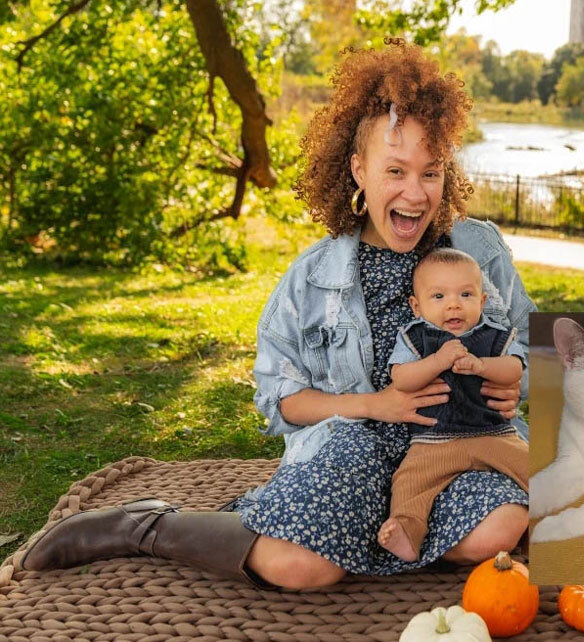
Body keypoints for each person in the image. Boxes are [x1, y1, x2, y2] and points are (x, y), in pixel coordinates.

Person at [20, 40, 537, 590]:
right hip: (353, 447)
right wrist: (373, 404)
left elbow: (533, 343)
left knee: (496, 532)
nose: (415, 192)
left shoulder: (479, 250)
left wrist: (519, 378)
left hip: (459, 449)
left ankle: (384, 529)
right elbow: (279, 399)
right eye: (396, 171)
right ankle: (148, 525)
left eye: (430, 173)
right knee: (302, 567)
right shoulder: (314, 276)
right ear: (359, 170)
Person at [377, 248, 529, 562]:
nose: (453, 304)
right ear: (416, 307)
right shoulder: (414, 338)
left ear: (483, 301)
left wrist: (481, 366)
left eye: (465, 294)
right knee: (409, 481)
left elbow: (515, 369)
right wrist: (436, 361)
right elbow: (401, 379)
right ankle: (407, 529)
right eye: (438, 296)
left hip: (494, 435)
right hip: (434, 441)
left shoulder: (496, 336)